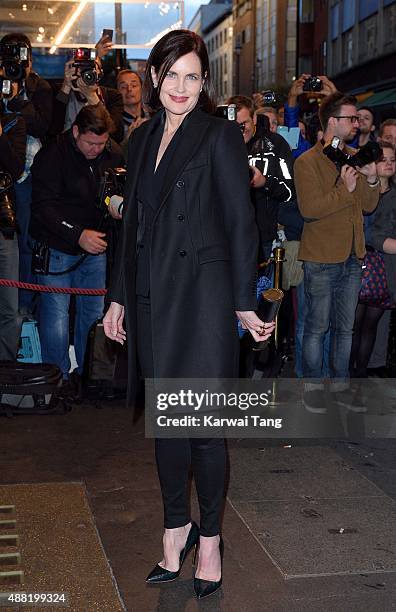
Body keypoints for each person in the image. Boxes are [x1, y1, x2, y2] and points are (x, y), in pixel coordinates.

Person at [103, 29, 274, 599]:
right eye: (171, 74)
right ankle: (175, 527)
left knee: (202, 427)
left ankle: (210, 540)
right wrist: (120, 297)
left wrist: (243, 302)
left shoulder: (220, 135)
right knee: (166, 427)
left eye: (192, 77)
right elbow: (134, 229)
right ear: (155, 77)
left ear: (205, 84)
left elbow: (240, 223)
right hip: (152, 298)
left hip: (200, 300)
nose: (180, 87)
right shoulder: (139, 137)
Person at [295, 92, 380, 411]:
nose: (356, 124)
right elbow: (310, 210)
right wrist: (345, 190)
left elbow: (367, 207)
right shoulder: (307, 162)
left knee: (346, 328)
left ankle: (341, 385)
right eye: (351, 118)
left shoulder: (355, 157)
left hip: (352, 257)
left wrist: (371, 182)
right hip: (320, 258)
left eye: (358, 118)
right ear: (332, 121)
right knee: (317, 327)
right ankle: (313, 385)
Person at [30, 105, 124, 383]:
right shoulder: (52, 155)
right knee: (56, 315)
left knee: (93, 314)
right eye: (90, 143)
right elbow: (43, 208)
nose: (96, 149)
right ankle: (56, 379)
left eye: (102, 143)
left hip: (96, 245)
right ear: (75, 132)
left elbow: (114, 191)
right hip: (57, 245)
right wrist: (78, 234)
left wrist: (115, 206)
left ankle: (88, 376)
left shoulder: (113, 153)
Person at [0, 32, 53, 314]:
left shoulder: (38, 86)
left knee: (25, 244)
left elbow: (43, 126)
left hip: (30, 173)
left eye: (20, 58)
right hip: (4, 169)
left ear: (30, 59)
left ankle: (23, 309)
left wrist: (19, 94)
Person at [227, 94, 294, 261]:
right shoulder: (222, 143)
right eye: (233, 126)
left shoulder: (275, 144)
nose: (239, 131)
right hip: (227, 236)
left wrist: (264, 183)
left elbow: (289, 191)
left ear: (254, 118)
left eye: (243, 125)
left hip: (264, 235)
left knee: (264, 287)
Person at [350, 141, 396, 377]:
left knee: (369, 327)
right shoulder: (359, 190)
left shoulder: (394, 195)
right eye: (382, 160)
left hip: (386, 272)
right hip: (357, 263)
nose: (388, 164)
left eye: (392, 159)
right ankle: (346, 376)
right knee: (353, 325)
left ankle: (359, 377)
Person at [49, 52, 124, 143]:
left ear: (100, 72)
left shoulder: (113, 96)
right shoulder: (58, 91)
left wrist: (92, 96)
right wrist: (66, 87)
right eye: (81, 67)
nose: (86, 72)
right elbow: (52, 131)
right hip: (65, 151)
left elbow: (116, 135)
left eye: (91, 67)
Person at [0, 101, 26, 359]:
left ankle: (6, 372)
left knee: (9, 306)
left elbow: (15, 167)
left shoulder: (13, 122)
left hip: (3, 224)